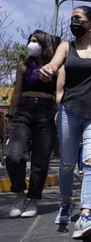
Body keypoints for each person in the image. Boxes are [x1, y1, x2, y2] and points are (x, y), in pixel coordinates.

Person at [39, 5, 91, 239]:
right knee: (67, 164)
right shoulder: (66, 47)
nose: (73, 23)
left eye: (77, 18)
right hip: (70, 111)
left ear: (90, 23)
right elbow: (54, 65)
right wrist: (47, 69)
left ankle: (85, 215)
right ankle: (66, 202)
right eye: (72, 19)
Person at [5, 30, 58, 218]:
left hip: (47, 112)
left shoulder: (56, 68)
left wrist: (59, 112)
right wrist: (10, 117)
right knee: (14, 155)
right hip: (24, 111)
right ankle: (19, 195)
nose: (31, 44)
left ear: (45, 45)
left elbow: (61, 93)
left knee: (41, 160)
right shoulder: (23, 66)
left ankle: (33, 199)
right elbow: (17, 92)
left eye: (36, 41)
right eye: (30, 41)